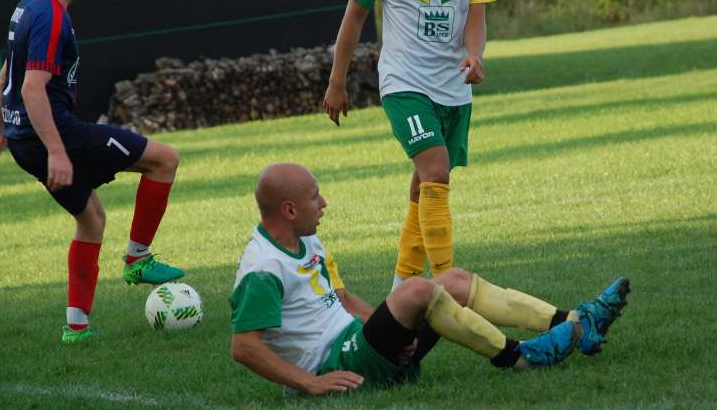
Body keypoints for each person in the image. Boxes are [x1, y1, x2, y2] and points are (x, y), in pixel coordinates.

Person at [230, 163, 630, 394]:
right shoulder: (264, 268)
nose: (324, 203)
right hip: (334, 365)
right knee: (418, 290)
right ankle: (521, 357)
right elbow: (245, 347)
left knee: (451, 280)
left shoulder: (307, 240)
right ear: (288, 210)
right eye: (315, 196)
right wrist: (309, 384)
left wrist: (393, 336)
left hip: (362, 348)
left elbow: (344, 300)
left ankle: (577, 322)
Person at [0, 0, 185, 343]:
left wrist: (0, 136)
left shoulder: (26, 7)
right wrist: (58, 152)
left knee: (91, 218)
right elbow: (31, 88)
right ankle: (138, 260)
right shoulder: (50, 13)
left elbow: (4, 79)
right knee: (164, 159)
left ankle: (77, 327)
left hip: (22, 141)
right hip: (54, 135)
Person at [323, 0, 494, 290]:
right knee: (435, 169)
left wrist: (475, 56)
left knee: (424, 186)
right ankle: (446, 286)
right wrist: (336, 81)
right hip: (404, 84)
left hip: (454, 91)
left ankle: (402, 288)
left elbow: (475, 18)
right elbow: (354, 18)